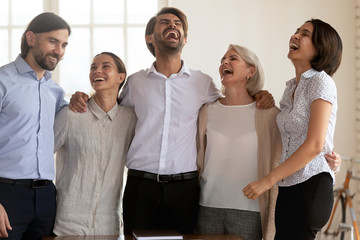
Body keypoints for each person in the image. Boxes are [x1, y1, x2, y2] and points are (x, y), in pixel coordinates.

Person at [69, 7, 275, 235]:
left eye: (177, 23)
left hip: (185, 190)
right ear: (150, 38)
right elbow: (110, 109)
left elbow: (231, 102)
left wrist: (259, 93)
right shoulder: (136, 83)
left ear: (185, 39)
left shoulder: (202, 83)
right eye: (164, 22)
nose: (172, 25)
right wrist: (83, 98)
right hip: (140, 187)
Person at [196, 44, 341, 240]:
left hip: (250, 210)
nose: (224, 62)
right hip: (207, 207)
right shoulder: (207, 111)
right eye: (222, 59)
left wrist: (330, 158)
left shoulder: (269, 115)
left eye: (232, 58)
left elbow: (296, 145)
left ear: (251, 71)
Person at [243, 19, 342, 240]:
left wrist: (266, 181)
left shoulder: (321, 82)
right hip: (288, 185)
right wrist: (261, 97)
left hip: (312, 184)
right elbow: (290, 131)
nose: (295, 35)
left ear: (320, 47)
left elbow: (315, 145)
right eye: (297, 31)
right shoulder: (291, 87)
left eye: (305, 34)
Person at [0, 12, 71, 240]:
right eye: (53, 41)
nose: (58, 51)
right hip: (6, 195)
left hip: (46, 198)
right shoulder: (3, 81)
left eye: (63, 45)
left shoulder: (56, 91)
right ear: (31, 39)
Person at [53, 52, 136, 236]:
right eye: (93, 67)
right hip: (68, 225)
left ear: (121, 77)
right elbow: (40, 155)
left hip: (109, 226)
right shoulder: (70, 115)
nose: (97, 70)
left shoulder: (130, 119)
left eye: (106, 66)